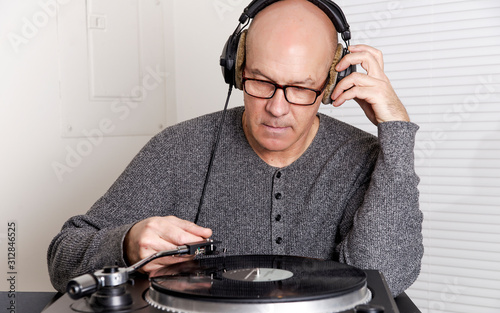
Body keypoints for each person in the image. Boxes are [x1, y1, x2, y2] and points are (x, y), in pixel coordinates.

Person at [47, 0, 423, 297]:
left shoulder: (365, 157)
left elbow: (384, 278)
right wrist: (126, 244)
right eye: (261, 81)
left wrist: (396, 132)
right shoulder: (178, 148)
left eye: (301, 88)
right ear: (236, 68)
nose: (277, 108)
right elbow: (63, 258)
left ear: (330, 85)